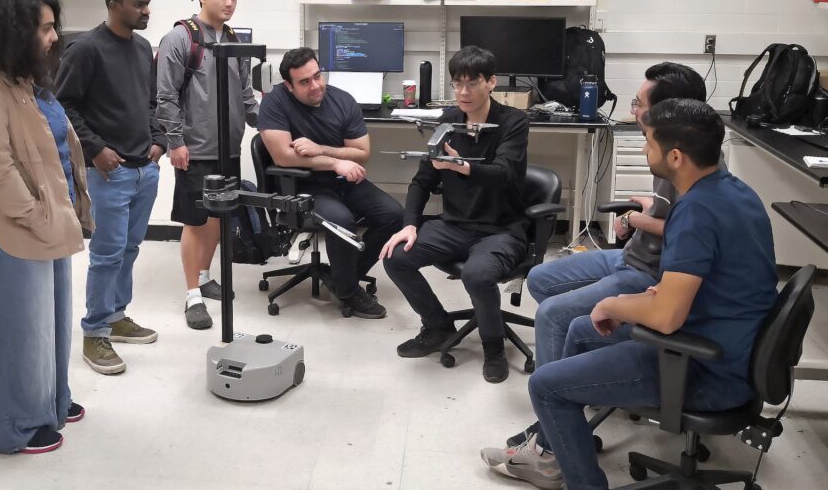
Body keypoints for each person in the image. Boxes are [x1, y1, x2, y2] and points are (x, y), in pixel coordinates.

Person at [481, 99, 778, 490]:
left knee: (545, 386)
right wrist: (655, 296)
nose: (643, 149)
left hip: (708, 370)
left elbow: (667, 317)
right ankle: (557, 450)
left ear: (675, 156)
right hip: (729, 345)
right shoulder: (735, 192)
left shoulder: (696, 213)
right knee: (579, 329)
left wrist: (613, 304)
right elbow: (712, 278)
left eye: (648, 143)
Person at [502, 62, 710, 450]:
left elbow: (690, 231)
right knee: (540, 279)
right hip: (630, 257)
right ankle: (584, 369)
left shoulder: (689, 159)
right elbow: (674, 210)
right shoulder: (664, 148)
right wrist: (647, 209)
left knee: (551, 314)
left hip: (650, 273)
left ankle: (552, 428)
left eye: (637, 102)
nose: (631, 109)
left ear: (665, 112)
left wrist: (637, 219)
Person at [0, 0, 94, 455]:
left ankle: (49, 401)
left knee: (49, 324)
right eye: (46, 29)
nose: (54, 38)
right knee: (17, 330)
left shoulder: (27, 82)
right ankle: (15, 425)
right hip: (10, 228)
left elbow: (55, 151)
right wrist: (31, 213)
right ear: (12, 30)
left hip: (49, 221)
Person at [381, 45, 529, 384]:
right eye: (456, 84)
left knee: (476, 275)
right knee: (395, 257)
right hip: (454, 225)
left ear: (491, 82)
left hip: (500, 229)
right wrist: (408, 225)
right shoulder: (448, 121)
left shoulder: (513, 122)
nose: (463, 92)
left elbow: (504, 174)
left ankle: (494, 347)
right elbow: (422, 180)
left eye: (472, 83)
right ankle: (437, 326)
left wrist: (460, 166)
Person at [55, 0, 163, 375]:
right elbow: (63, 105)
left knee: (130, 249)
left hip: (143, 169)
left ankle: (116, 316)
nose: (146, 10)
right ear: (114, 3)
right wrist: (96, 150)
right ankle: (95, 331)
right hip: (108, 173)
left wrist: (159, 141)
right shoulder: (85, 50)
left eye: (147, 2)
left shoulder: (141, 48)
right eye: (139, 4)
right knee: (106, 255)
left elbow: (150, 102)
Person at [258, 47, 403, 317]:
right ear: (288, 85)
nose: (315, 85)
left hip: (342, 180)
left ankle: (343, 277)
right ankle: (348, 292)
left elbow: (362, 153)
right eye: (304, 82)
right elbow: (284, 157)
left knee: (394, 216)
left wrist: (321, 149)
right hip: (301, 186)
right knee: (342, 221)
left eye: (317, 76)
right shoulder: (275, 102)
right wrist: (336, 162)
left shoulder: (342, 100)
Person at [156, 0, 258, 330]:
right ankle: (191, 294)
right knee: (196, 221)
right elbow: (165, 97)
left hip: (228, 147)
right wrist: (175, 143)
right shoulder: (180, 38)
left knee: (219, 216)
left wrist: (267, 120)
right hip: (194, 149)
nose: (229, 3)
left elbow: (245, 92)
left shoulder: (232, 38)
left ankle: (204, 275)